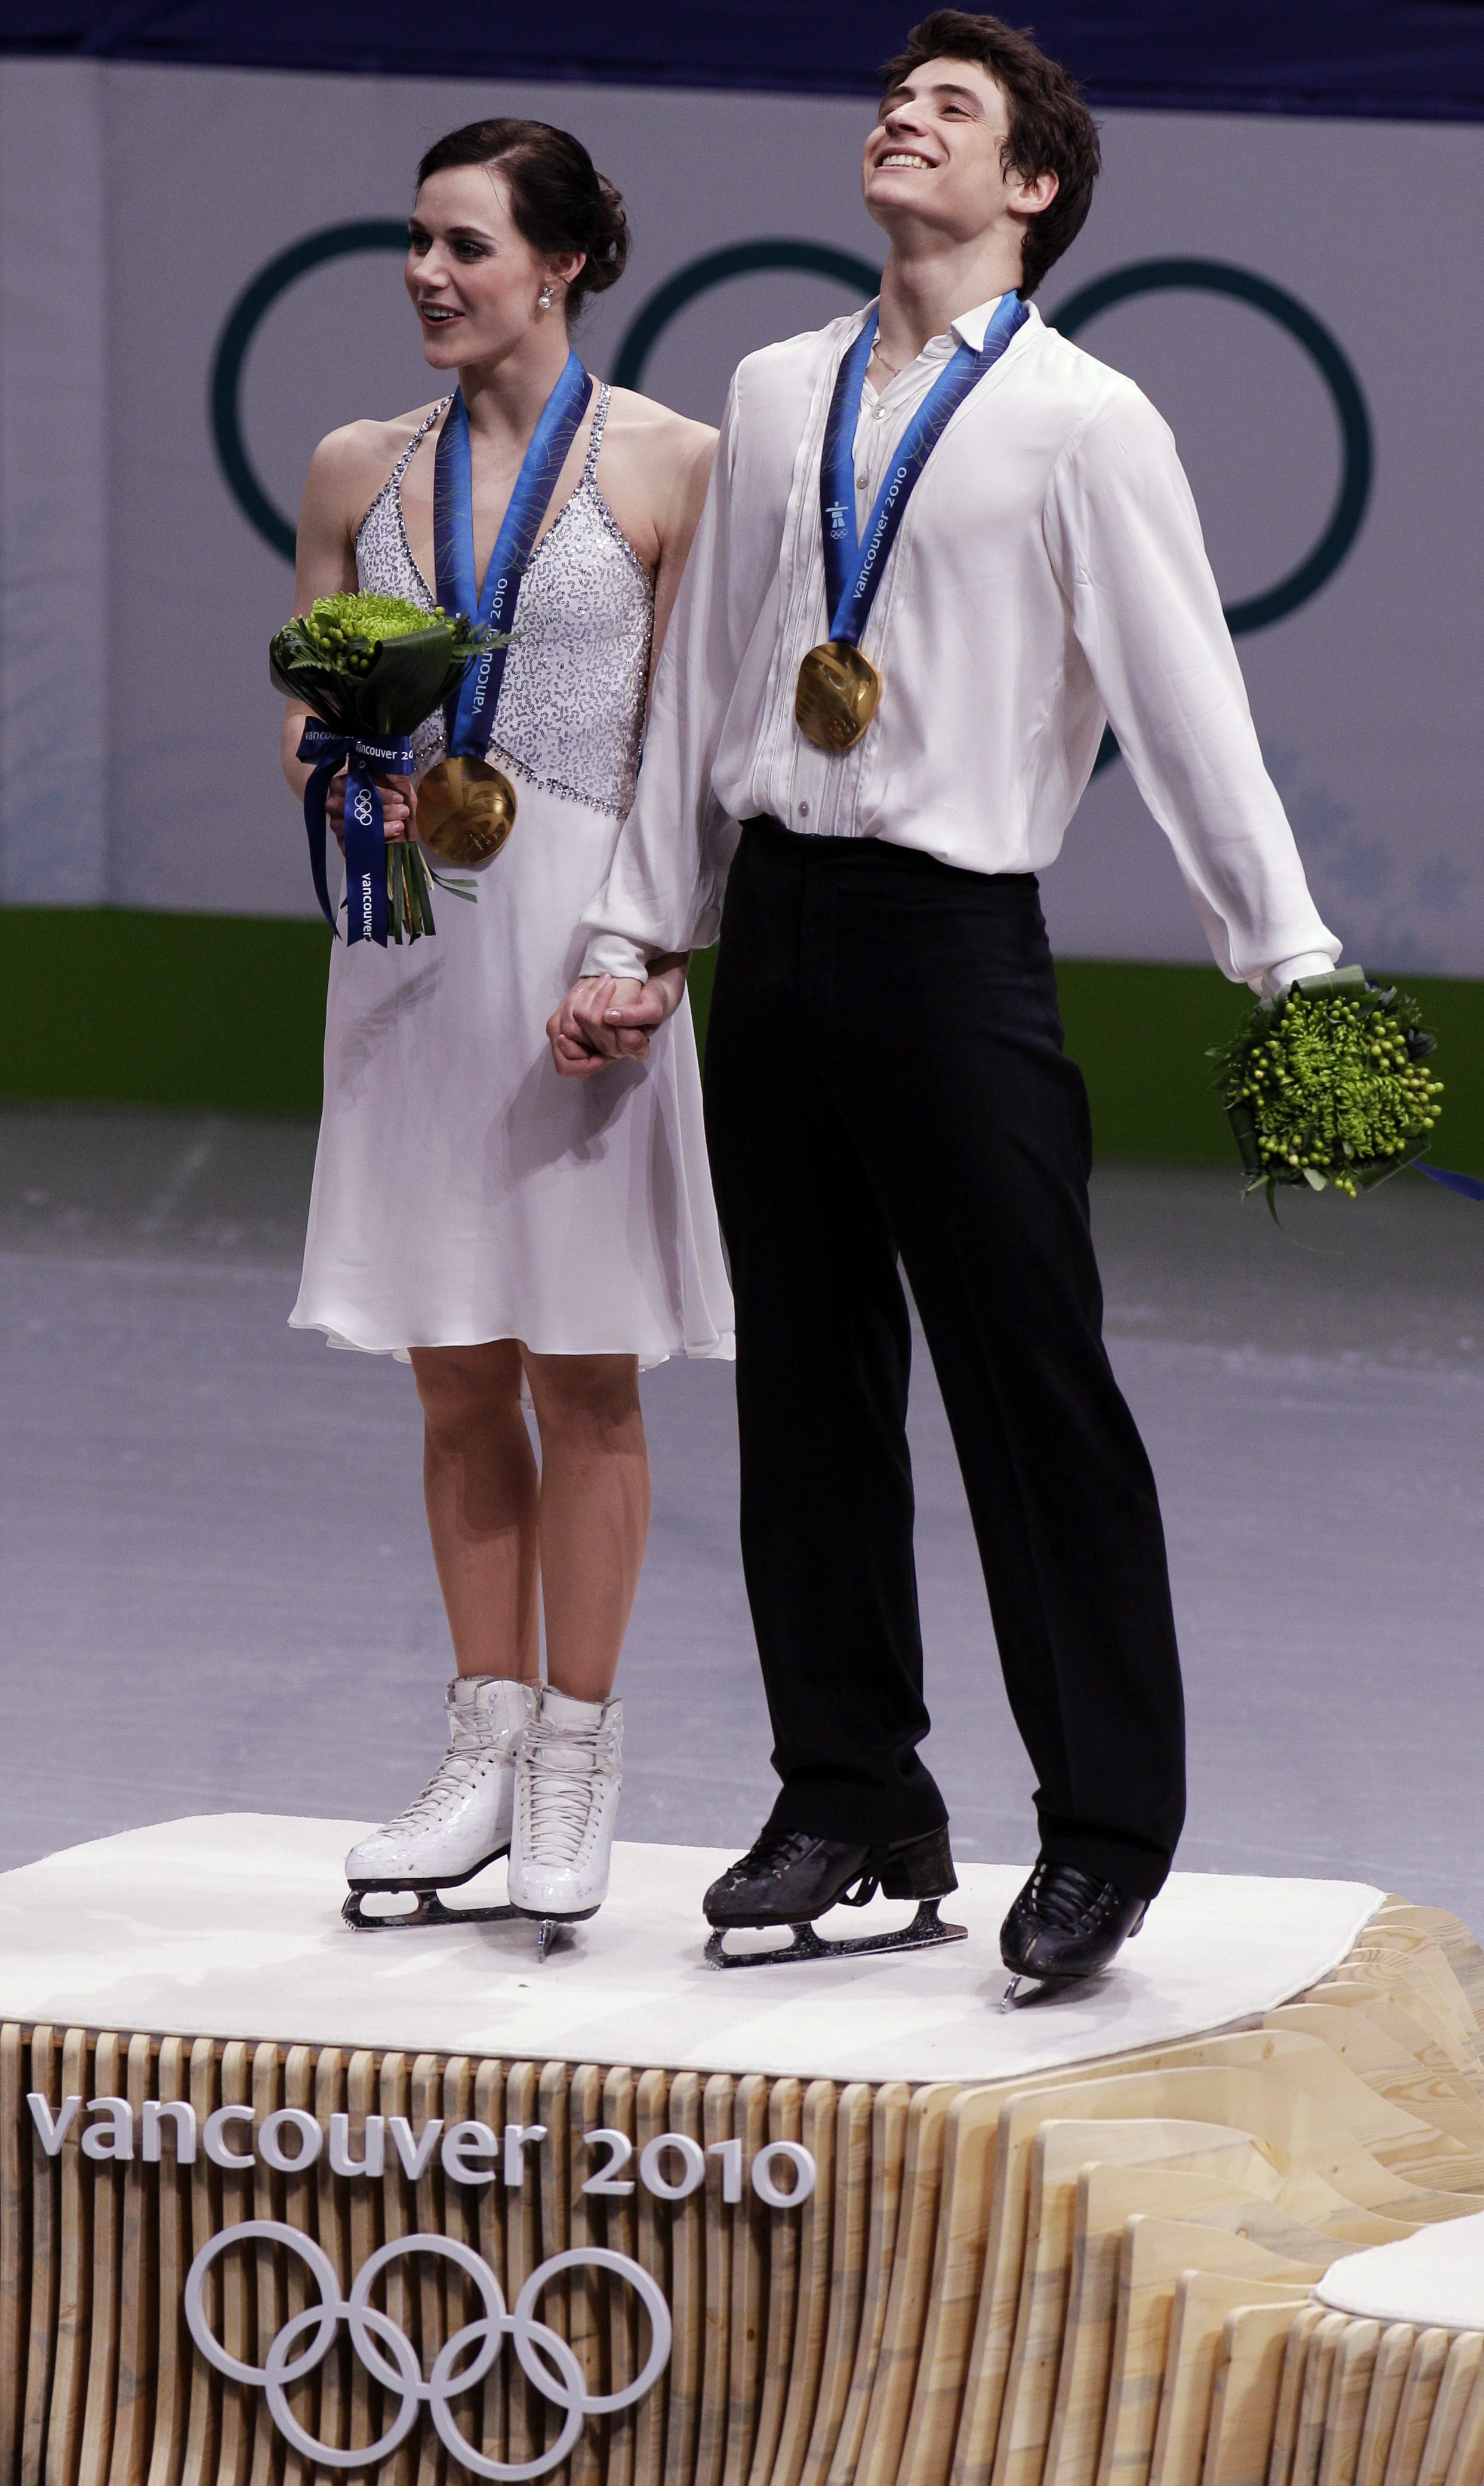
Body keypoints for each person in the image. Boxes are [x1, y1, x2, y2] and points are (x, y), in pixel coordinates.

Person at [550, 10, 1340, 1997]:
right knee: (807, 1391)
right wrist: (643, 928)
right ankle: (852, 1789)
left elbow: (1187, 714)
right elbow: (708, 689)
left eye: (954, 110)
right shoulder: (772, 384)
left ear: (1033, 187)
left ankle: (1105, 1831)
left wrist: (1291, 965)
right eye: (897, 97)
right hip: (786, 938)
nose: (902, 119)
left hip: (956, 944)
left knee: (1031, 1391)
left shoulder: (1088, 419)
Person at [283, 118, 732, 1944]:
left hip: (585, 954)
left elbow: (696, 756)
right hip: (412, 954)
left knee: (585, 1366)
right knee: (454, 1360)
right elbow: (308, 711)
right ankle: (477, 1744)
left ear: (558, 265)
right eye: (415, 240)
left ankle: (577, 1757)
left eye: (466, 246)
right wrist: (345, 771)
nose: (427, 274)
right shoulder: (350, 467)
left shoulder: (674, 464)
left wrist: (656, 957)